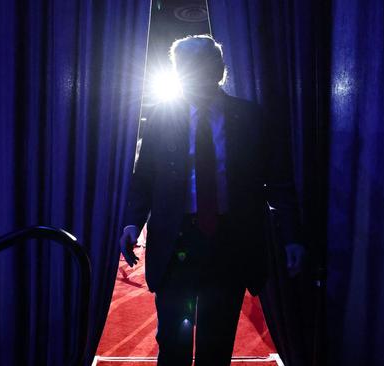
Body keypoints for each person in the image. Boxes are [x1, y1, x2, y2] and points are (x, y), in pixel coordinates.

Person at [119, 34, 305, 366]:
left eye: (198, 67)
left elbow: (278, 179)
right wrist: (132, 221)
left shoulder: (250, 118)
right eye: (184, 68)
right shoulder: (163, 117)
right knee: (172, 345)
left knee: (216, 346)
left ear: (218, 69)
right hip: (176, 244)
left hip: (229, 245)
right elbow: (144, 177)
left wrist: (292, 235)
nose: (191, 75)